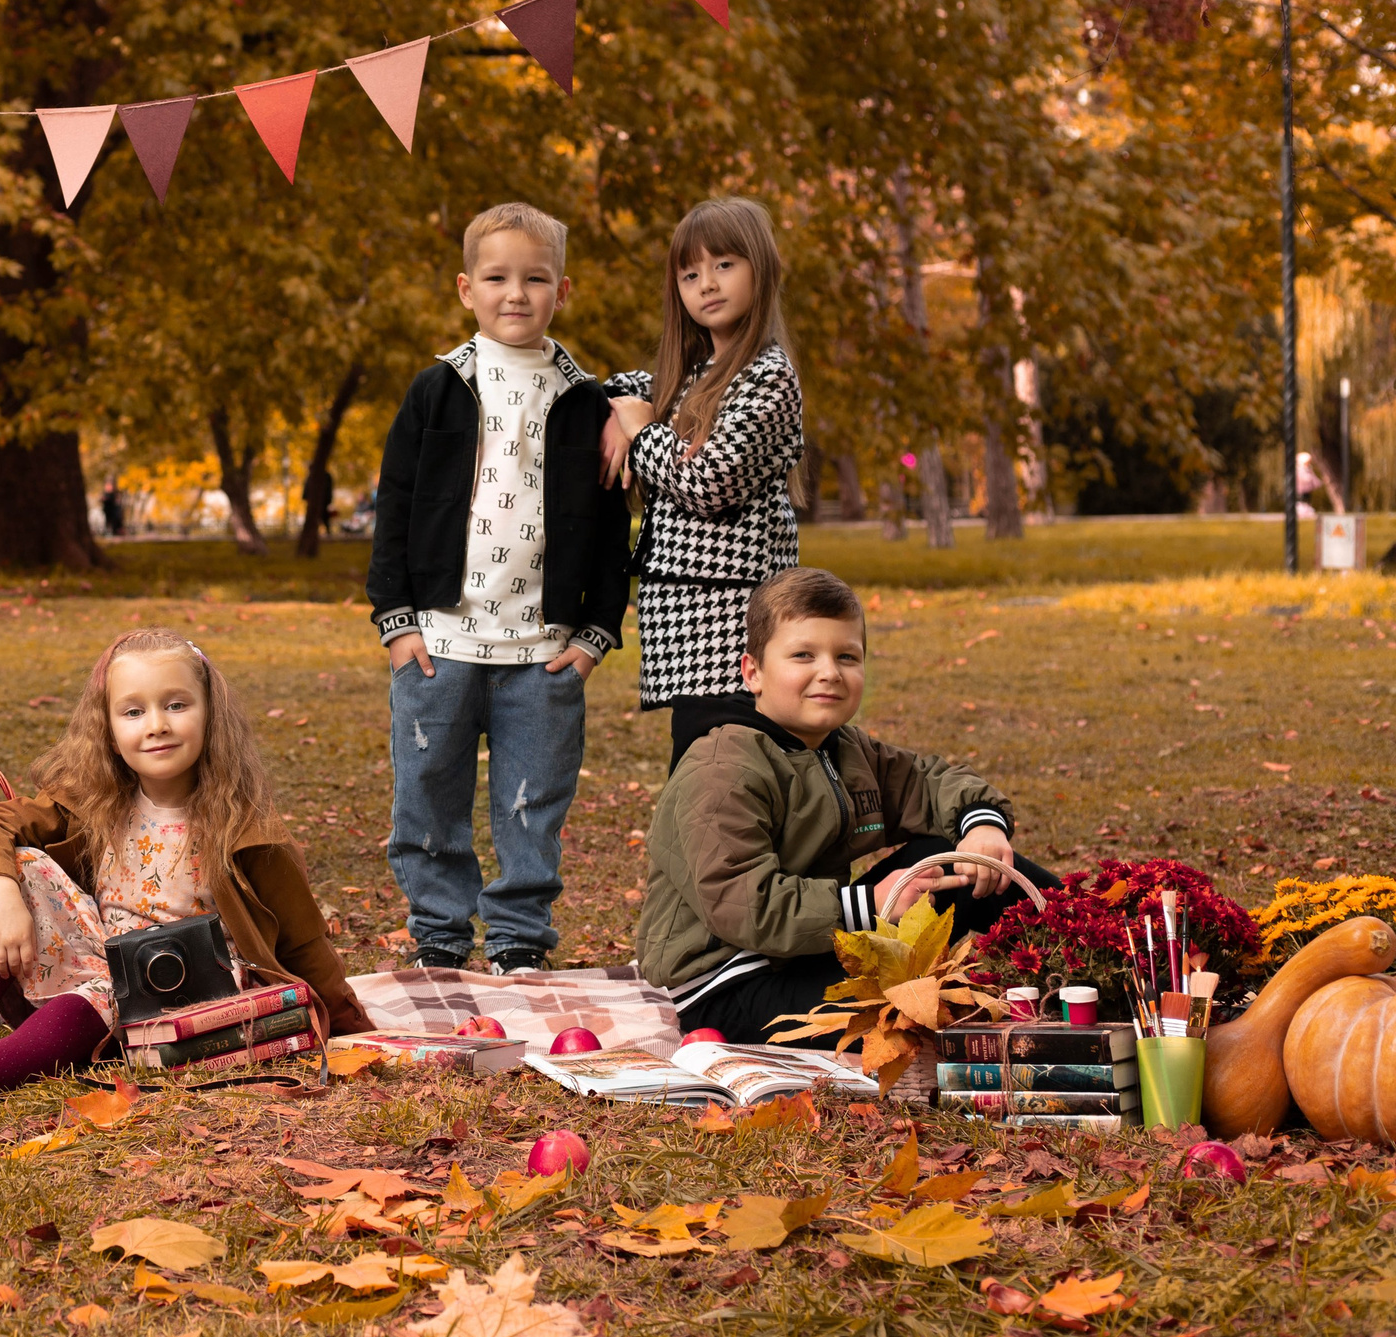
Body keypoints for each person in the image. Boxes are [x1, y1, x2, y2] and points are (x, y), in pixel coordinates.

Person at [0, 627, 370, 1109]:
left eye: (177, 705)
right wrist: (0, 893)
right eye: (133, 712)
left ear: (210, 712)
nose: (157, 726)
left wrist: (350, 1028)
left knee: (97, 998)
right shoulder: (94, 800)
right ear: (109, 728)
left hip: (191, 993)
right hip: (104, 956)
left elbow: (304, 942)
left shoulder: (248, 828)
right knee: (15, 865)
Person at [365, 203, 632, 975]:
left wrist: (593, 638)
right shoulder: (437, 389)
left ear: (562, 289)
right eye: (496, 277)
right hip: (439, 646)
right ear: (465, 287)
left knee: (532, 803)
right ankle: (440, 936)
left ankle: (518, 939)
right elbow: (397, 506)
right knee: (428, 796)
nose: (515, 293)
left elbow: (615, 530)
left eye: (535, 278)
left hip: (544, 653)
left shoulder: (588, 402)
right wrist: (396, 621)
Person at [636, 566, 1059, 1045]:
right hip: (730, 982)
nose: (829, 673)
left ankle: (1098, 951)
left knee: (951, 853)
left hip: (816, 947)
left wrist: (982, 825)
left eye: (847, 656)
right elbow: (743, 904)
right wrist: (873, 904)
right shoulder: (722, 765)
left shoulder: (844, 749)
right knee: (913, 1013)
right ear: (753, 672)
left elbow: (929, 783)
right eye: (803, 655)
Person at [600, 197, 807, 768]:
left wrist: (640, 432)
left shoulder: (768, 377)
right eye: (690, 274)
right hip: (688, 632)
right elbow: (621, 385)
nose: (706, 285)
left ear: (759, 269)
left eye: (724, 265)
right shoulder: (694, 376)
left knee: (732, 777)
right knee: (697, 771)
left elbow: (711, 481)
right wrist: (617, 411)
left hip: (736, 628)